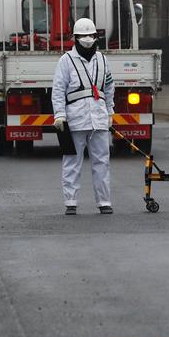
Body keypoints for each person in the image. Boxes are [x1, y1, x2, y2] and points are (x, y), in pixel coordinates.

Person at [52, 18, 115, 215]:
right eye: (83, 37)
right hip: (75, 119)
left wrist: (110, 111)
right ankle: (70, 201)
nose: (87, 40)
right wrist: (60, 115)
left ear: (97, 37)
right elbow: (58, 89)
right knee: (72, 161)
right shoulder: (66, 60)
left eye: (91, 36)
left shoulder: (103, 60)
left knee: (102, 162)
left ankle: (104, 201)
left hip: (99, 119)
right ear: (75, 38)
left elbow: (109, 88)